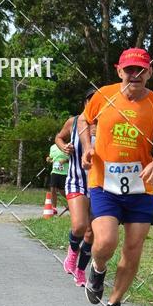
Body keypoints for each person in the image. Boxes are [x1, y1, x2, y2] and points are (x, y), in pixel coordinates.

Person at [78, 47, 153, 306]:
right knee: (106, 241)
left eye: (141, 69)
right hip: (103, 182)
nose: (135, 75)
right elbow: (85, 120)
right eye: (129, 69)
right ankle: (97, 269)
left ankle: (114, 304)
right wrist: (88, 147)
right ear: (119, 71)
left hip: (140, 187)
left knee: (133, 247)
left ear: (149, 73)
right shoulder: (104, 95)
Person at [54, 88, 97, 286]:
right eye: (91, 100)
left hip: (100, 185)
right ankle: (72, 252)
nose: (94, 105)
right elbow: (58, 137)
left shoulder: (108, 125)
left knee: (91, 233)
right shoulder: (73, 122)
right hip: (77, 180)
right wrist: (64, 147)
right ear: (85, 103)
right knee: (80, 226)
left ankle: (80, 270)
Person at [45, 140, 70, 215]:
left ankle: (74, 203)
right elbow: (51, 158)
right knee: (52, 189)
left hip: (65, 172)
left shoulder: (68, 146)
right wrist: (48, 159)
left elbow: (74, 159)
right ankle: (54, 208)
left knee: (62, 191)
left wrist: (65, 160)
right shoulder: (52, 147)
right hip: (55, 171)